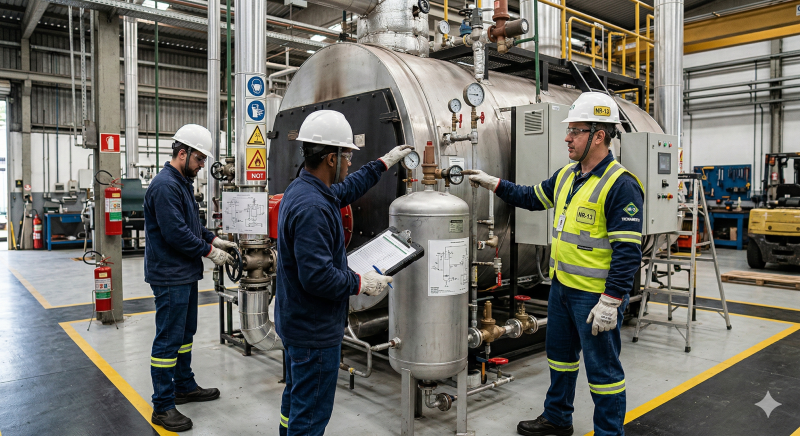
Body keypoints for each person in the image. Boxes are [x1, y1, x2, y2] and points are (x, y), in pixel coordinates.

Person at [464, 92, 644, 436]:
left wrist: (612, 301)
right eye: (569, 131)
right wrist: (494, 183)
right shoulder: (567, 176)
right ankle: (557, 418)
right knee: (560, 360)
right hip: (561, 289)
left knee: (603, 372)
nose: (567, 137)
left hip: (595, 298)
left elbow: (628, 251)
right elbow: (532, 197)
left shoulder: (621, 185)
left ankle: (609, 433)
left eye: (575, 131)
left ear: (599, 135)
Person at [274, 110, 414, 436]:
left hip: (297, 322)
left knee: (295, 402)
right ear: (330, 158)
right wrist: (362, 282)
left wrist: (383, 163)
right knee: (310, 417)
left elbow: (347, 188)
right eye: (347, 155)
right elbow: (318, 277)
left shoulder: (306, 189)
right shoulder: (313, 207)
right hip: (314, 330)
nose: (350, 162)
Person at [144, 124, 238, 432]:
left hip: (183, 273)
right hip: (170, 273)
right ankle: (162, 405)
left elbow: (191, 227)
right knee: (169, 339)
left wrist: (215, 238)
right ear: (182, 153)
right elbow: (176, 235)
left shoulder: (181, 183)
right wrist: (210, 251)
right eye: (198, 159)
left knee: (185, 335)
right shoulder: (164, 186)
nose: (201, 167)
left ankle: (183, 385)